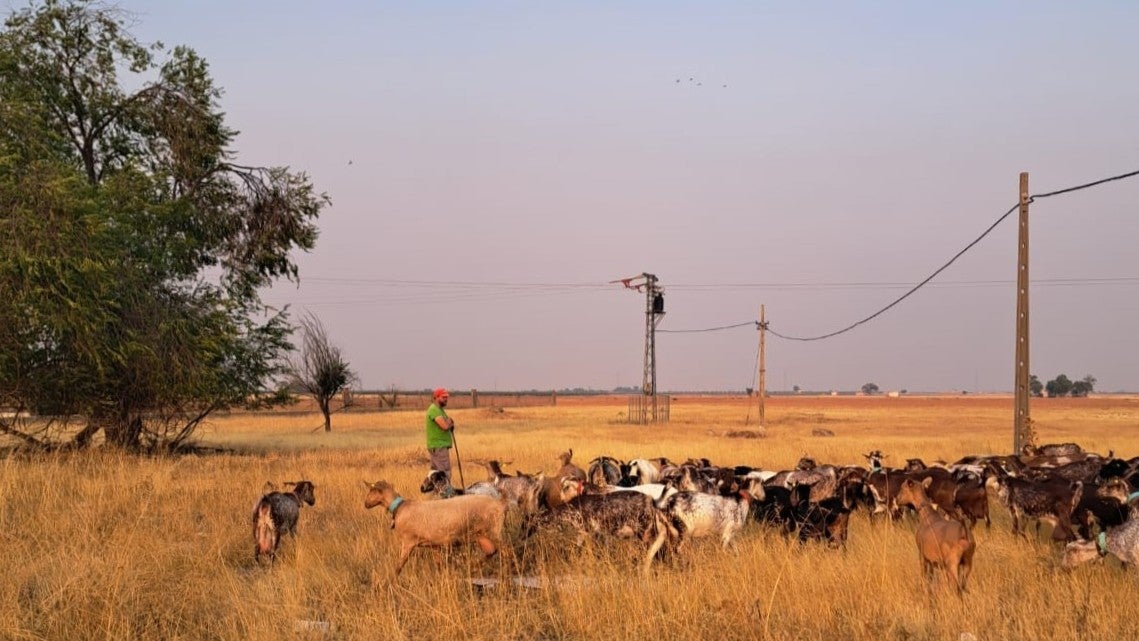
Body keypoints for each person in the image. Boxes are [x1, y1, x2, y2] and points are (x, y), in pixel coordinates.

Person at [425, 387, 456, 497]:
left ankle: (434, 497)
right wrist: (450, 423)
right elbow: (444, 425)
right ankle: (444, 497)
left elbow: (448, 422)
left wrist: (449, 423)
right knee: (444, 473)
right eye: (443, 397)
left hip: (438, 446)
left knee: (435, 473)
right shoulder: (434, 410)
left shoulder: (440, 410)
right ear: (436, 397)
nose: (446, 399)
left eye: (446, 397)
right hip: (439, 446)